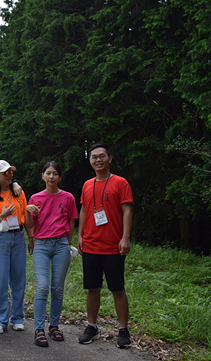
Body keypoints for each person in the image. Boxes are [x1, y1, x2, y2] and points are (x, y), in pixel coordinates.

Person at [77, 143, 133, 349]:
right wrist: (80, 235)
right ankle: (92, 326)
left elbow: (127, 210)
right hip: (91, 245)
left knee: (117, 289)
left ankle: (123, 329)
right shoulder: (87, 184)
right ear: (90, 160)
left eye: (102, 156)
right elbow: (84, 210)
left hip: (113, 247)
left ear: (110, 158)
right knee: (92, 288)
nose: (98, 160)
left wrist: (125, 238)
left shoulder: (120, 183)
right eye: (94, 157)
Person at [25, 161, 78, 347]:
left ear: (59, 177)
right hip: (41, 245)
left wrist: (68, 242)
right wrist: (27, 211)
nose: (51, 176)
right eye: (48, 173)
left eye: (55, 173)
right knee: (42, 287)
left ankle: (54, 326)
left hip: (61, 245)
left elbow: (71, 221)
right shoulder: (35, 198)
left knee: (57, 288)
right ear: (43, 176)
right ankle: (39, 329)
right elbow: (29, 225)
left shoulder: (68, 197)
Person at [0, 160, 33, 334]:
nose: (9, 175)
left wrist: (31, 237)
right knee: (0, 281)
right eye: (6, 173)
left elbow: (25, 216)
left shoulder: (19, 192)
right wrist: (2, 216)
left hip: (18, 236)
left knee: (19, 280)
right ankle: (0, 319)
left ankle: (17, 318)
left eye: (11, 172)